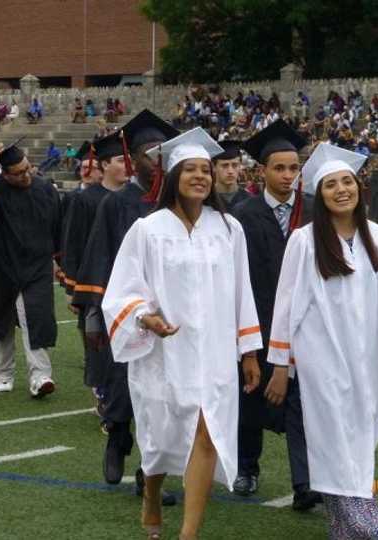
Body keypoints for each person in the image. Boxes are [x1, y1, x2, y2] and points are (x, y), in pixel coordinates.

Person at [263, 142, 378, 540]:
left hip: (369, 354)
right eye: (330, 185)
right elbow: (286, 307)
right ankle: (364, 515)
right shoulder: (304, 242)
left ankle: (343, 526)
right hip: (321, 355)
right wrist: (280, 366)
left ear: (358, 187)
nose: (342, 190)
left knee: (361, 430)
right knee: (334, 433)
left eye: (347, 181)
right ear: (319, 196)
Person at [102, 127, 262, 540]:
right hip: (164, 356)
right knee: (158, 441)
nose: (200, 176)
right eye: (190, 169)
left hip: (213, 354)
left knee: (207, 432)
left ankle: (188, 534)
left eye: (205, 170)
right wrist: (144, 316)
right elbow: (122, 290)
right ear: (172, 176)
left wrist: (248, 352)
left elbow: (243, 291)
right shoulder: (148, 230)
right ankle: (151, 493)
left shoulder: (229, 230)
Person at [71, 109, 179, 504]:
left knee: (162, 402)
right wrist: (96, 316)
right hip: (126, 313)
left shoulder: (176, 205)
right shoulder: (118, 205)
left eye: (162, 153)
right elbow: (99, 258)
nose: (158, 161)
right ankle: (117, 436)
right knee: (121, 388)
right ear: (134, 160)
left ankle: (148, 475)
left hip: (168, 317)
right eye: (150, 153)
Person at [230, 121, 320, 510]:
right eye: (279, 168)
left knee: (305, 406)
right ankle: (247, 467)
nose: (287, 175)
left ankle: (306, 483)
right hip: (258, 321)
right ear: (261, 172)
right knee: (250, 398)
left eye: (293, 168)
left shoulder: (314, 210)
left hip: (307, 326)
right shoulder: (243, 213)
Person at [0, 140, 61, 397]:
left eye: (27, 168)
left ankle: (40, 377)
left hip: (36, 266)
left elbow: (57, 228)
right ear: (4, 174)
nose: (25, 175)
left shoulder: (44, 190)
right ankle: (3, 374)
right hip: (2, 264)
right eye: (17, 173)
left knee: (36, 319)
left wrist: (60, 264)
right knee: (1, 321)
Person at [61, 134, 129, 412]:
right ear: (103, 165)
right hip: (96, 285)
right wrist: (73, 288)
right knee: (98, 345)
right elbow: (73, 244)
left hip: (128, 284)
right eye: (120, 160)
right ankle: (102, 397)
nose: (127, 165)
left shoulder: (134, 199)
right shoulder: (85, 199)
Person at [212, 140, 250, 212]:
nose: (230, 171)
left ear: (240, 166)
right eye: (224, 165)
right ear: (214, 167)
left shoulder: (250, 201)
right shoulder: (205, 201)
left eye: (235, 165)